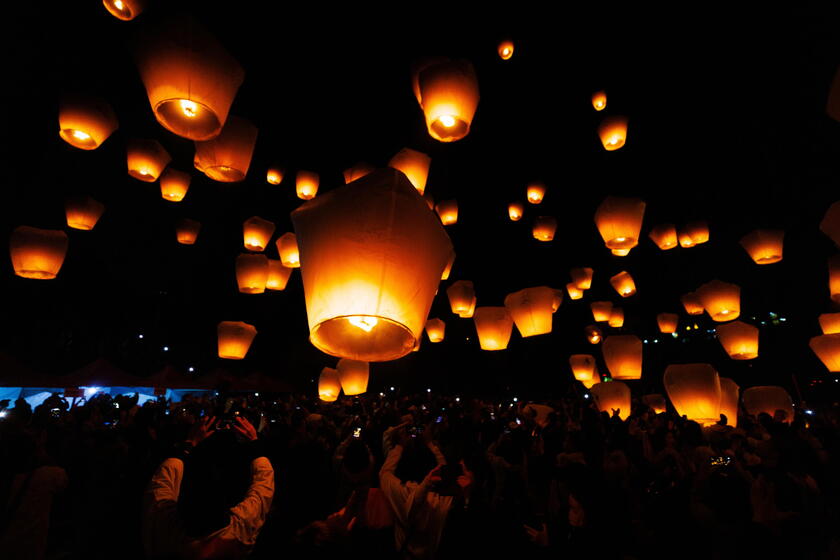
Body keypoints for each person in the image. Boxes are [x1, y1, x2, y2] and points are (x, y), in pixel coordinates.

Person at [142, 415, 274, 559]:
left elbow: (163, 481)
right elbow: (263, 486)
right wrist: (253, 442)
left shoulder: (163, 528)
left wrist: (190, 443)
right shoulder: (240, 530)